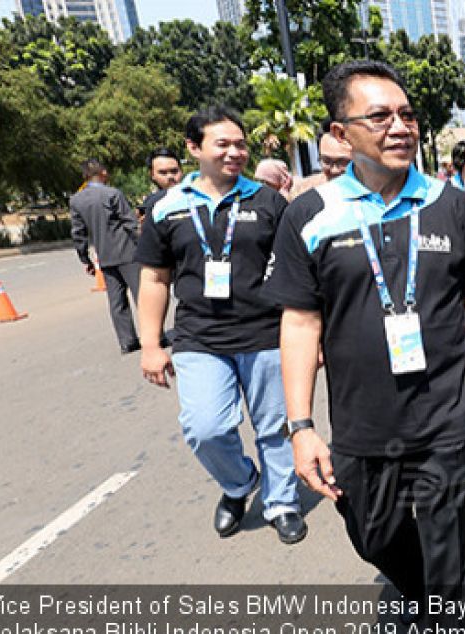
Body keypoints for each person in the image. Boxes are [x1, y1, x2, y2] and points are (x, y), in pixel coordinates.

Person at [263, 60, 465, 624]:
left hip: (449, 415)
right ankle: (425, 594)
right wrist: (300, 428)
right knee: (374, 535)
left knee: (460, 568)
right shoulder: (310, 214)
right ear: (341, 133)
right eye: (380, 116)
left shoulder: (450, 203)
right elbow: (300, 324)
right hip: (363, 425)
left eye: (407, 114)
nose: (400, 127)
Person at [136, 106, 306, 545]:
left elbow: (295, 271)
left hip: (267, 333)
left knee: (275, 427)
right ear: (194, 148)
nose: (235, 152)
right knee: (205, 427)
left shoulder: (267, 201)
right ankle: (238, 483)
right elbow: (154, 278)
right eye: (223, 144)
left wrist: (308, 334)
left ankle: (282, 502)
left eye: (241, 144)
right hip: (199, 338)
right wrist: (151, 344)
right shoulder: (166, 208)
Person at [69, 159, 143, 354]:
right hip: (128, 253)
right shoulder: (112, 194)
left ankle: (127, 341)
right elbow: (130, 223)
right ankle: (156, 335)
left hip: (106, 257)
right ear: (102, 172)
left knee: (117, 302)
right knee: (142, 296)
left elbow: (78, 233)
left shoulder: (76, 200)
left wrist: (85, 259)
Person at [290, 131, 353, 198]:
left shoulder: (364, 188)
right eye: (326, 161)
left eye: (342, 162)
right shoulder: (303, 191)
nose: (334, 170)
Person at [138, 148, 184, 222]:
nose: (170, 176)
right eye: (163, 172)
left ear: (181, 171)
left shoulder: (195, 198)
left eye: (174, 171)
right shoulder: (150, 204)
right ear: (152, 175)